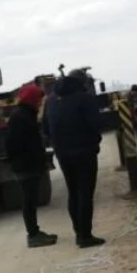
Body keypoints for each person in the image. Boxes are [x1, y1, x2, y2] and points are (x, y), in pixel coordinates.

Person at [46, 70, 105, 248]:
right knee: (85, 193)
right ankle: (85, 236)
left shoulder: (51, 100)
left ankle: (79, 232)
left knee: (73, 192)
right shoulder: (84, 98)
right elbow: (95, 124)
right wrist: (95, 142)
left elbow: (45, 128)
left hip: (63, 153)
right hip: (84, 151)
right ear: (82, 81)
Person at [6, 84, 57, 248]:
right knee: (29, 201)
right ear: (31, 99)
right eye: (38, 99)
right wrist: (35, 161)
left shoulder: (23, 115)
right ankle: (33, 235)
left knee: (31, 201)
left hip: (25, 164)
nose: (40, 102)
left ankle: (35, 232)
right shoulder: (22, 118)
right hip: (25, 166)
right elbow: (20, 145)